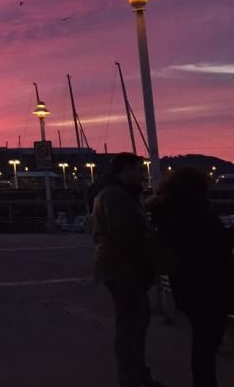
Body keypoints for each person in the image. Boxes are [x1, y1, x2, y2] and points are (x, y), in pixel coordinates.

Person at [149, 168, 234, 387]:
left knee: (203, 341)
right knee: (207, 342)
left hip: (186, 284)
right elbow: (214, 245)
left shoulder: (169, 212)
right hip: (208, 284)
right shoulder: (193, 212)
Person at [92, 155, 166, 387]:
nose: (142, 174)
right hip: (123, 268)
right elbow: (125, 234)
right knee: (129, 325)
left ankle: (137, 373)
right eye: (138, 169)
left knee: (137, 321)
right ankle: (131, 377)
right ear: (125, 169)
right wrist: (152, 242)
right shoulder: (115, 195)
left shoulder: (116, 193)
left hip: (123, 267)